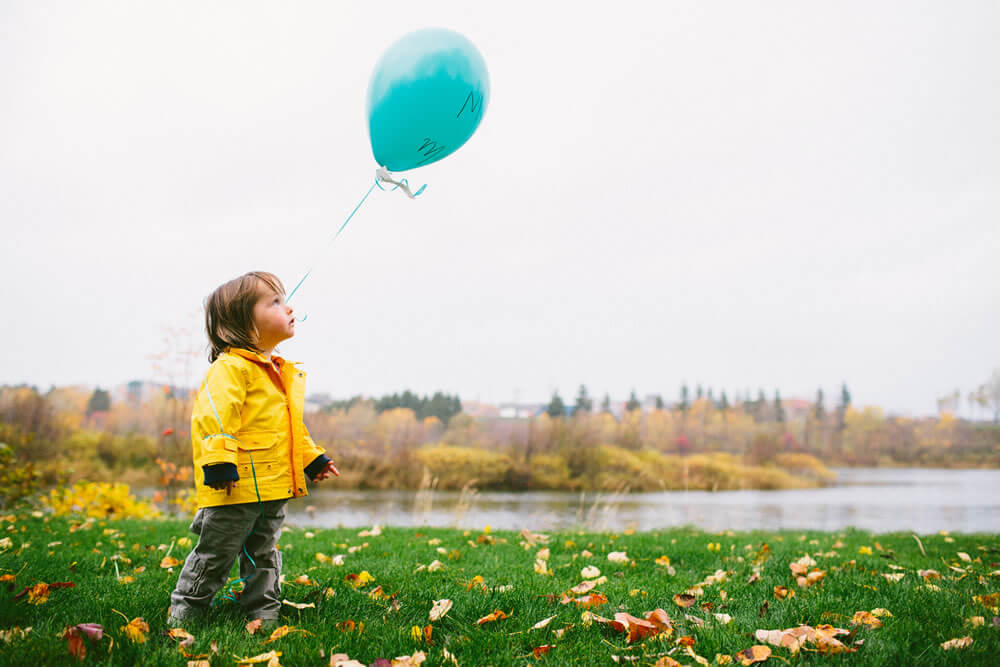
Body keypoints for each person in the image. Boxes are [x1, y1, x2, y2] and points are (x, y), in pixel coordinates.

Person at [168, 271, 339, 627]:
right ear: (244, 323)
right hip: (235, 484)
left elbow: (289, 427)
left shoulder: (277, 372)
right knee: (216, 553)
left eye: (283, 299)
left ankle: (263, 611)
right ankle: (186, 609)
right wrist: (218, 463)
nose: (288, 307)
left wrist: (312, 459)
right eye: (275, 302)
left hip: (273, 485)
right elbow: (214, 417)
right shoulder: (231, 368)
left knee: (264, 553)